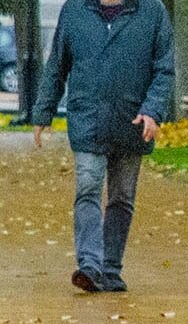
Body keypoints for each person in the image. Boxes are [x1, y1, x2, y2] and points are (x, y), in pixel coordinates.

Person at [31, 0, 174, 292]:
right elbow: (57, 65)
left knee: (122, 197)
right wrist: (43, 111)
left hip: (132, 121)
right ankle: (90, 266)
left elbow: (164, 70)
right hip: (87, 119)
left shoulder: (152, 11)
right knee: (88, 188)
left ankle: (110, 268)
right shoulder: (74, 10)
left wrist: (153, 110)